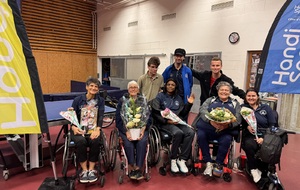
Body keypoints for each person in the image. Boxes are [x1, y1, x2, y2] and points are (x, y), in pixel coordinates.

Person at [193, 81, 241, 177]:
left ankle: (218, 164)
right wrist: (211, 121)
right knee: (201, 135)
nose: (224, 92)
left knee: (227, 139)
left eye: (226, 90)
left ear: (230, 92)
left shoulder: (235, 104)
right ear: (218, 91)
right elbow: (202, 110)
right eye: (222, 90)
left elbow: (238, 117)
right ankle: (208, 162)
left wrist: (227, 125)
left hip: (225, 130)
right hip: (208, 128)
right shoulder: (210, 100)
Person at [151, 78, 195, 173]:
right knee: (178, 133)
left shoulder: (178, 98)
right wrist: (167, 121)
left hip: (177, 122)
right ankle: (173, 159)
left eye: (173, 85)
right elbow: (155, 113)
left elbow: (183, 113)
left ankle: (182, 159)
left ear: (175, 87)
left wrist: (189, 104)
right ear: (166, 86)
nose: (170, 86)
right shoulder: (160, 96)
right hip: (165, 123)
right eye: (169, 84)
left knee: (190, 132)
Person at [71, 77, 104, 183]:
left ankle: (91, 169)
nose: (94, 88)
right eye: (91, 86)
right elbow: (73, 116)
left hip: (93, 129)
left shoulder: (100, 101)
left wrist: (98, 129)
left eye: (96, 86)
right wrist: (73, 127)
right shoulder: (77, 100)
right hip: (79, 129)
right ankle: (84, 170)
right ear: (87, 87)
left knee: (95, 141)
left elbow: (100, 116)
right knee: (81, 142)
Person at [115, 80, 151, 180]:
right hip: (126, 129)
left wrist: (143, 129)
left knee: (142, 141)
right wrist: (126, 131)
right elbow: (118, 119)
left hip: (141, 129)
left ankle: (139, 168)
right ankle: (131, 166)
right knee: (127, 143)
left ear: (138, 89)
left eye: (135, 87)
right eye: (131, 87)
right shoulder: (123, 100)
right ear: (128, 89)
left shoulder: (143, 100)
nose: (133, 89)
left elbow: (148, 118)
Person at [241, 88, 276, 188]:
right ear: (246, 97)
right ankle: (253, 170)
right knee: (250, 145)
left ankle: (266, 170)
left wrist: (264, 138)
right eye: (249, 96)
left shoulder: (266, 108)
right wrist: (246, 126)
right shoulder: (243, 108)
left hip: (266, 134)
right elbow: (239, 123)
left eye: (253, 96)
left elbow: (273, 124)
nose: (251, 98)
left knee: (269, 147)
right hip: (250, 135)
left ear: (257, 97)